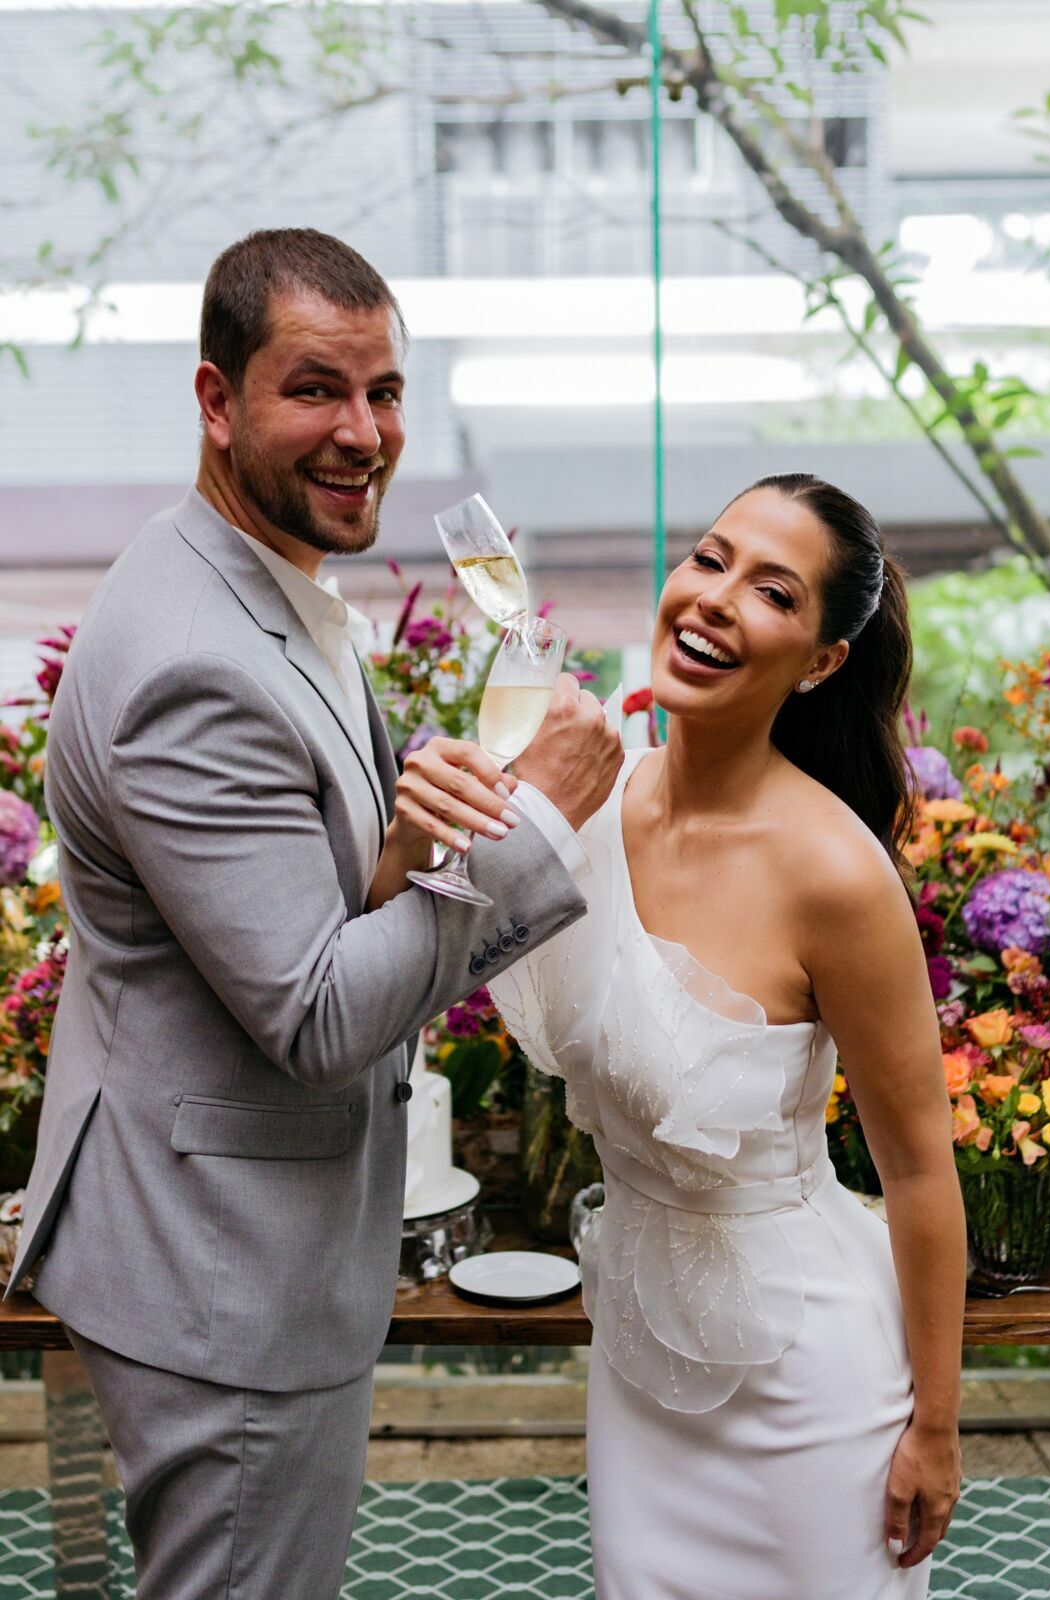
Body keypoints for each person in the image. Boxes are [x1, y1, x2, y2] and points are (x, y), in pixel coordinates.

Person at [6, 227, 621, 1600]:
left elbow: (305, 903)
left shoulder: (257, 579)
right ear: (216, 403)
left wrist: (404, 845)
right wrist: (534, 823)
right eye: (315, 389)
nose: (363, 432)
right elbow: (315, 1012)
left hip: (221, 1229)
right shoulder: (186, 659)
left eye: (386, 392)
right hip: (220, 1275)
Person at [488, 474, 967, 1599]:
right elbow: (419, 930)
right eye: (707, 560)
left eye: (771, 591)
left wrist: (937, 1426)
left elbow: (915, 1168)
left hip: (809, 1378)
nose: (712, 600)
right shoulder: (595, 796)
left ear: (818, 660)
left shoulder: (833, 871)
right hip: (640, 1363)